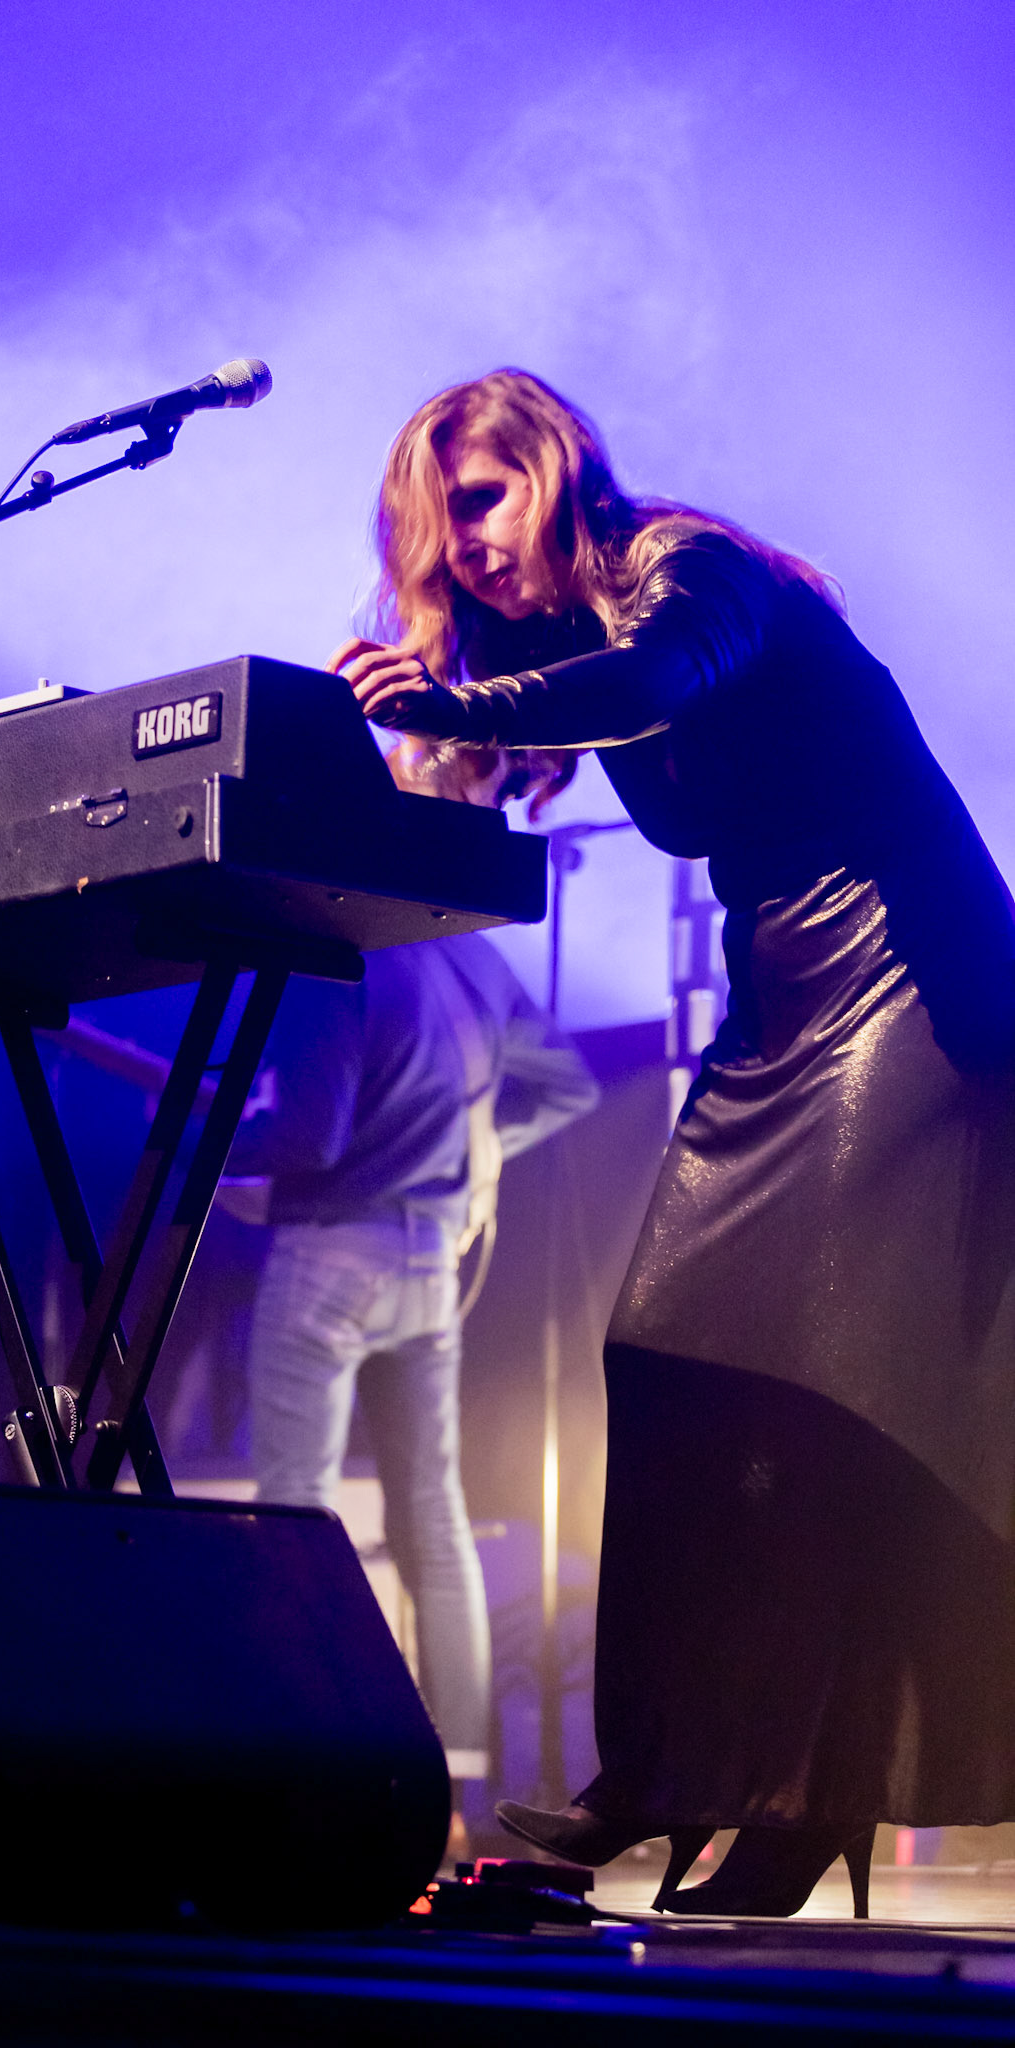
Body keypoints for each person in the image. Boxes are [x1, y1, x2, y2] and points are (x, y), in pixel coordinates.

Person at [332, 369, 1015, 1916]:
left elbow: (645, 688)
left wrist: (434, 695)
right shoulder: (560, 642)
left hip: (915, 979)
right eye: (445, 530)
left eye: (487, 499)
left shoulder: (688, 573)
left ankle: (771, 1802)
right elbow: (497, 775)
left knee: (833, 1394)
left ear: (554, 466)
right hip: (785, 998)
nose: (472, 546)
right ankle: (677, 1774)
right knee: (664, 1357)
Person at [227, 925, 597, 1834]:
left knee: (293, 1514)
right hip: (430, 1255)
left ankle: (306, 1763)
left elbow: (310, 1139)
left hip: (330, 1250)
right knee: (433, 1521)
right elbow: (568, 1085)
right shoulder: (468, 952)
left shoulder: (337, 945)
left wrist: (218, 1145)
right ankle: (462, 1794)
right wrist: (473, 1149)